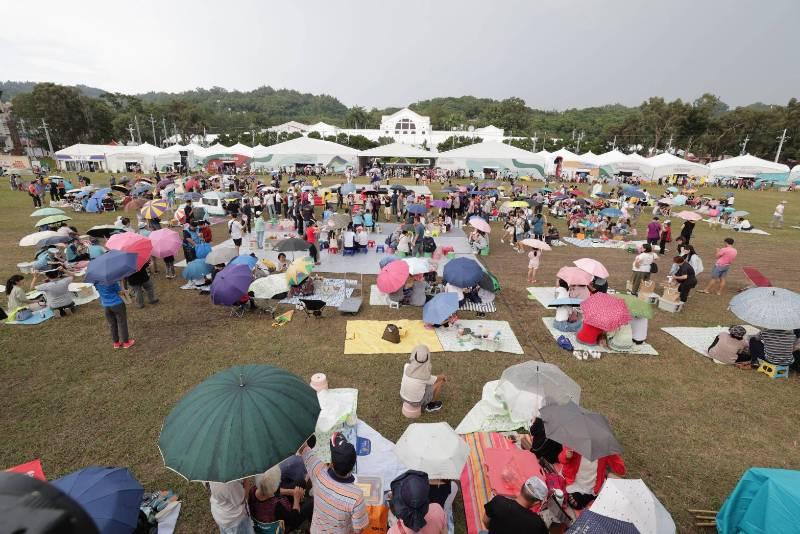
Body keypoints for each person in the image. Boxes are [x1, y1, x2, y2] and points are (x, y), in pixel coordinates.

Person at [300, 432, 369, 534]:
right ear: (353, 465)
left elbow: (303, 448)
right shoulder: (356, 496)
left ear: (332, 463)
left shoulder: (318, 471)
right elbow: (359, 528)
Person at [246, 465, 310, 532]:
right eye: (279, 481)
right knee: (311, 502)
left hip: (263, 518)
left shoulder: (252, 490)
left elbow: (268, 488)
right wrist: (296, 499)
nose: (280, 481)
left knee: (301, 482)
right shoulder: (277, 506)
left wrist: (291, 492)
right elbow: (293, 520)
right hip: (284, 523)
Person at [558, 447, 626, 509]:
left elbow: (621, 470)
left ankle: (589, 497)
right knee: (576, 503)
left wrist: (612, 454)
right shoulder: (576, 443)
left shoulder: (603, 450)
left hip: (593, 484)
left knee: (607, 502)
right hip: (576, 481)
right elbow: (561, 459)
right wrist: (566, 456)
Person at [482, 476, 548, 534]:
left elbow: (485, 521)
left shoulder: (498, 502)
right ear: (536, 503)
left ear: (522, 487)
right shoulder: (537, 524)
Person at [400, 345, 447, 413]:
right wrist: (443, 376)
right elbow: (437, 379)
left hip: (402, 397)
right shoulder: (425, 377)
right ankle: (431, 405)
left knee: (425, 384)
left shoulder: (406, 366)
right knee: (440, 382)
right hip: (416, 402)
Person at [94, 280, 134, 349]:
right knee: (122, 323)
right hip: (117, 304)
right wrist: (123, 286)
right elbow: (120, 292)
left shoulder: (96, 282)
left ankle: (116, 343)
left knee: (112, 324)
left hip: (106, 306)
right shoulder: (112, 281)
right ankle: (126, 342)